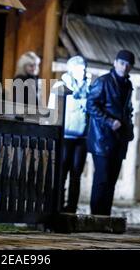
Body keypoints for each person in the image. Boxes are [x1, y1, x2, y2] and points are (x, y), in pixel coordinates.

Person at [86, 50, 135, 216]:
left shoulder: (128, 85)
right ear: (115, 63)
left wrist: (130, 127)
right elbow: (91, 105)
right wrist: (109, 121)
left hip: (119, 139)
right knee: (102, 179)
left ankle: (104, 217)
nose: (124, 66)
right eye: (122, 62)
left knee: (112, 180)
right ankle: (95, 217)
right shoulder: (103, 81)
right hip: (102, 138)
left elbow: (128, 110)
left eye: (128, 64)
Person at [49, 56, 90, 213]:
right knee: (62, 172)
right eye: (80, 67)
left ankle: (71, 207)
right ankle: (57, 205)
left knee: (76, 174)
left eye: (85, 67)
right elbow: (52, 108)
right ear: (72, 69)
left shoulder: (88, 87)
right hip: (65, 135)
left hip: (82, 137)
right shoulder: (61, 85)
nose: (84, 70)